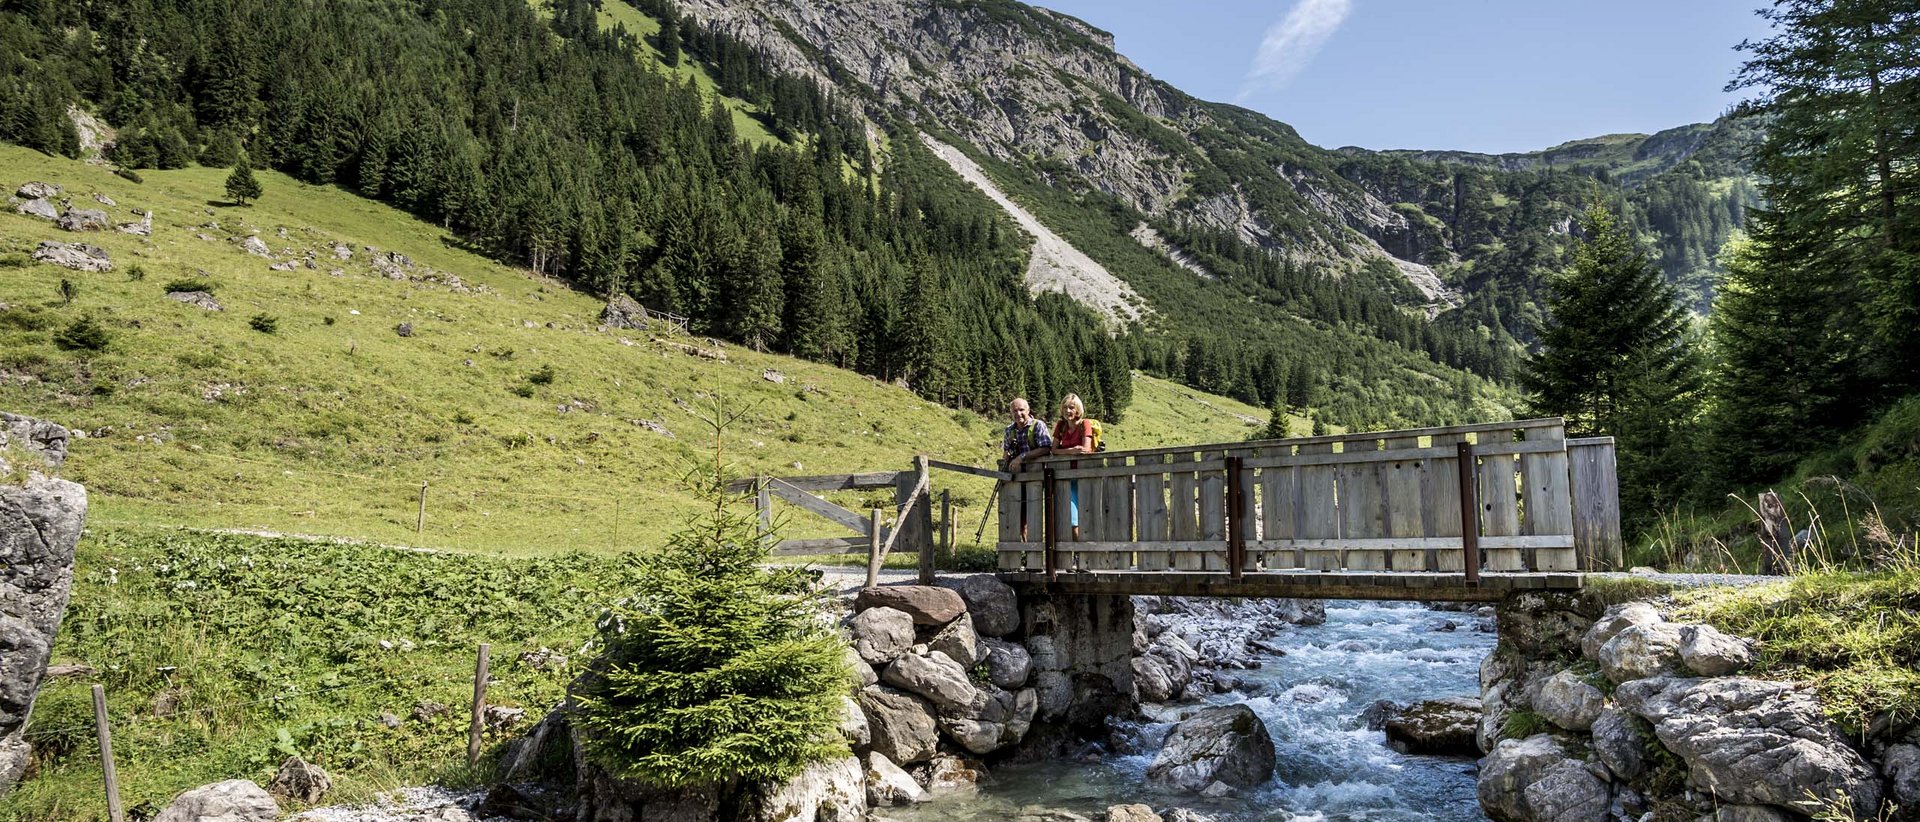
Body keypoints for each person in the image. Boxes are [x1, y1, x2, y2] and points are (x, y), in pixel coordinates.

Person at [1051, 393, 1096, 541]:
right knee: (1072, 518)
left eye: (1071, 408)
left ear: (1078, 410)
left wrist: (1074, 451)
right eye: (1065, 408)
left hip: (1084, 475)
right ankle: (1078, 553)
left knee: (1089, 515)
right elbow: (1054, 450)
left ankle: (1084, 552)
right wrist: (1071, 451)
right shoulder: (1061, 426)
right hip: (1066, 477)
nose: (1067, 411)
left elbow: (1086, 449)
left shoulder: (1085, 424)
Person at [1002, 397, 1052, 472]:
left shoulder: (1038, 425)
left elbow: (1046, 449)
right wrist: (1006, 454)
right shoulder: (1009, 430)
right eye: (1015, 411)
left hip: (1038, 473)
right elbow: (1006, 450)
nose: (1018, 414)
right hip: (1016, 476)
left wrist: (1022, 457)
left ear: (1028, 411)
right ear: (1011, 413)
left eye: (1021, 410)